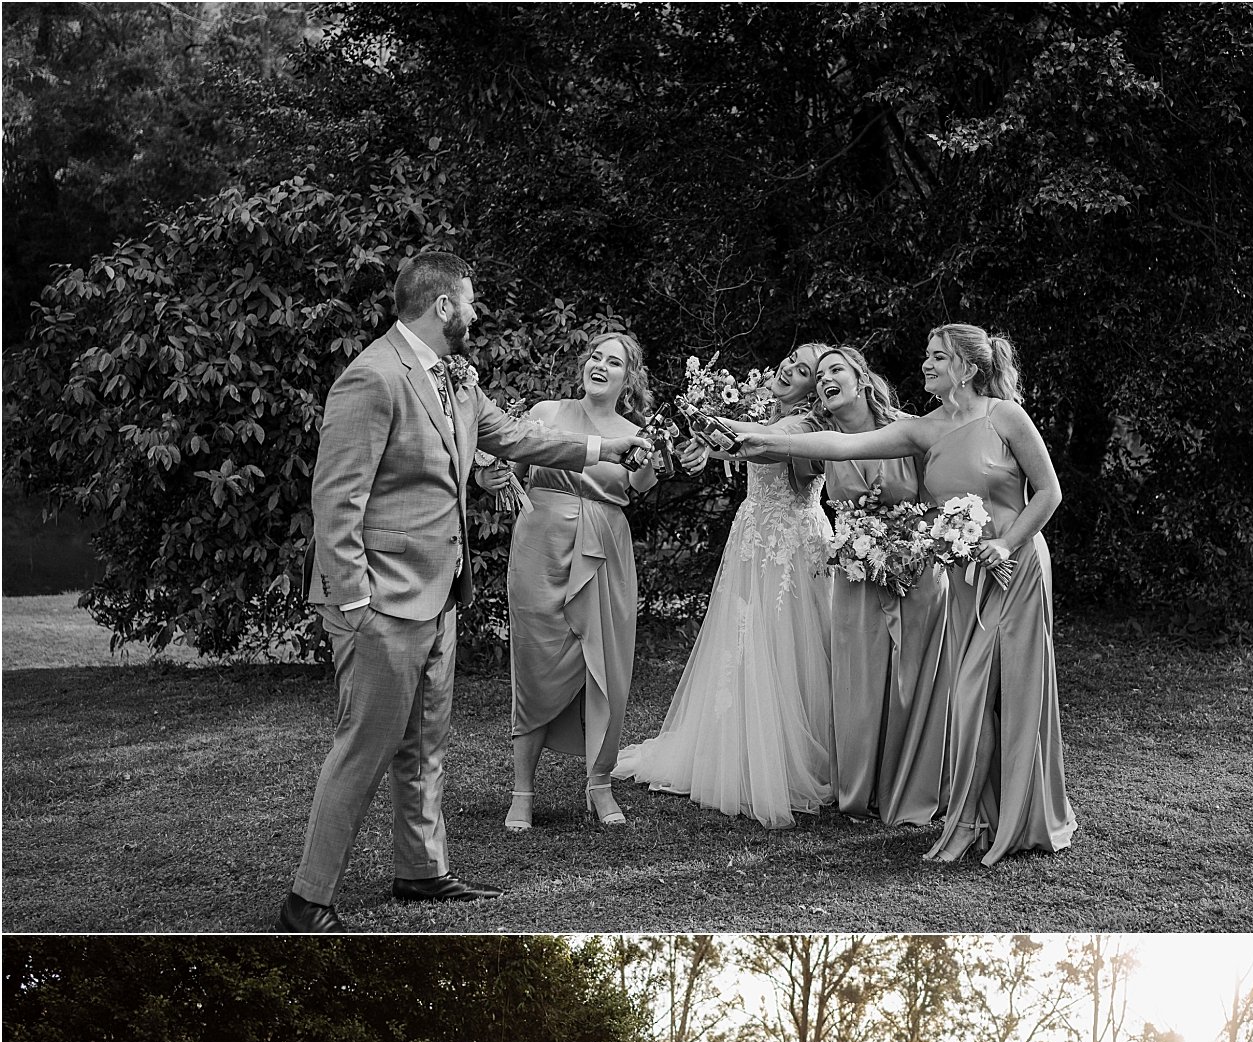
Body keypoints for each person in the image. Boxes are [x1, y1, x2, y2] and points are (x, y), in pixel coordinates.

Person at [278, 251, 641, 931]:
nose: (477, 313)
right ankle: (308, 899)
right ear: (444, 306)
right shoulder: (372, 377)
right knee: (365, 746)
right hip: (380, 603)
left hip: (438, 594)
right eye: (471, 302)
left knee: (424, 744)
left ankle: (422, 872)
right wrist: (355, 603)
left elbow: (517, 437)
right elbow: (336, 501)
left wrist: (603, 451)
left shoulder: (457, 380)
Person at [728, 322, 1075, 863]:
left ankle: (996, 820)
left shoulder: (1004, 415)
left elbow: (1049, 491)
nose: (926, 365)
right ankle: (970, 820)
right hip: (963, 580)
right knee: (970, 699)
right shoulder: (925, 429)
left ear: (967, 365)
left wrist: (1008, 544)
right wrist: (762, 437)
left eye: (937, 357)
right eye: (927, 356)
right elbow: (843, 445)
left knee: (1008, 696)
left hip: (1015, 571)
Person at [722, 346, 950, 824]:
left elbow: (939, 495)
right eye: (818, 373)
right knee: (857, 683)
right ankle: (858, 791)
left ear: (860, 379)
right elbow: (776, 441)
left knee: (914, 679)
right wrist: (721, 434)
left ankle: (912, 785)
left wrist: (916, 542)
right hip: (854, 570)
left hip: (916, 568)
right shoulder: (822, 438)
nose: (825, 378)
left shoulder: (911, 429)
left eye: (834, 369)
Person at [613, 345, 836, 828]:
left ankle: (795, 754)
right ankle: (739, 744)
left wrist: (720, 435)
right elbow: (737, 442)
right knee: (744, 636)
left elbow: (767, 440)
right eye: (791, 359)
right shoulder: (759, 407)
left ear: (814, 391)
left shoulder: (806, 426)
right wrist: (705, 446)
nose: (787, 368)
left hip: (796, 541)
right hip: (753, 532)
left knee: (796, 641)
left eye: (803, 371)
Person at [502, 331, 665, 833]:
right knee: (533, 663)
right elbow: (510, 463)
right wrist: (494, 472)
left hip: (605, 550)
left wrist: (652, 459)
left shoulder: (636, 434)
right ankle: (521, 792)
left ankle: (600, 785)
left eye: (613, 362)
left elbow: (639, 486)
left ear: (627, 378)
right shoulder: (547, 412)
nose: (600, 365)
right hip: (540, 547)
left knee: (606, 666)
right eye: (595, 355)